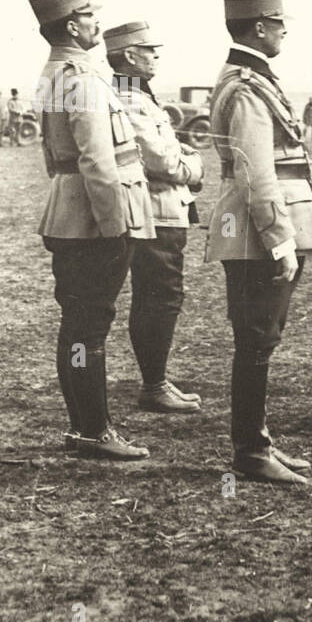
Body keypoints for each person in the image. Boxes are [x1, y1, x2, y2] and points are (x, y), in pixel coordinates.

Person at [205, 0, 312, 484]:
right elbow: (256, 174)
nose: (283, 32)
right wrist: (281, 240)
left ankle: (258, 443)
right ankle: (251, 453)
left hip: (259, 228)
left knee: (260, 338)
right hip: (258, 232)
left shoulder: (252, 80)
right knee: (256, 339)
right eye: (279, 23)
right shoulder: (246, 88)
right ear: (259, 26)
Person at [29, 0, 155, 460]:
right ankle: (94, 432)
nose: (95, 22)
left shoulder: (56, 73)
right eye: (88, 15)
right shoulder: (80, 78)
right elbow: (97, 160)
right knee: (89, 327)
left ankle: (84, 427)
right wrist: (113, 223)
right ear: (71, 26)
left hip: (71, 213)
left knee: (78, 325)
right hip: (94, 218)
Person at [105, 20, 205, 412]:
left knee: (160, 295)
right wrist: (195, 168)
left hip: (162, 210)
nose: (156, 57)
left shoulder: (138, 95)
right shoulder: (129, 99)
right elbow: (162, 159)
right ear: (131, 56)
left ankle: (157, 382)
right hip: (156, 213)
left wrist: (183, 157)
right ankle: (154, 386)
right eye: (150, 50)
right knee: (159, 296)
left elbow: (169, 148)